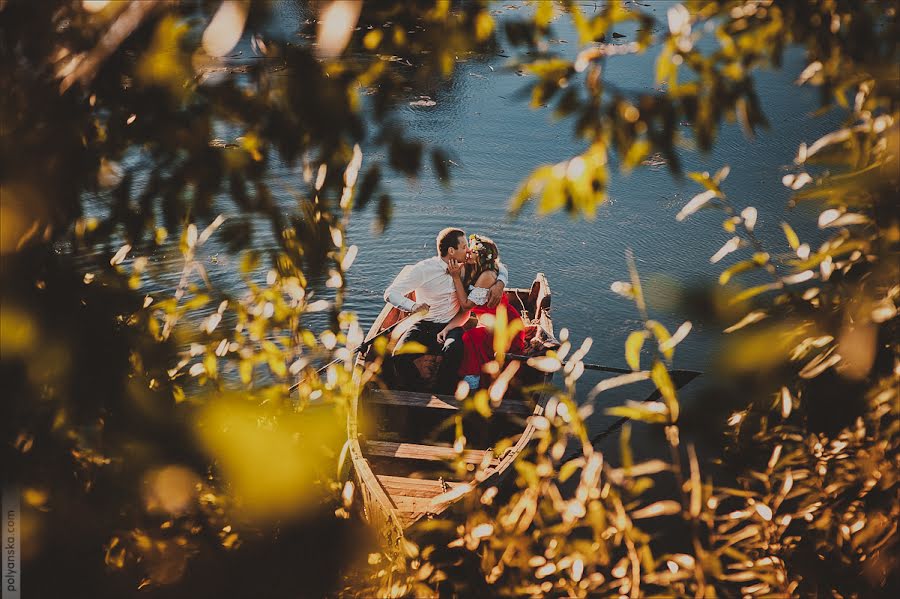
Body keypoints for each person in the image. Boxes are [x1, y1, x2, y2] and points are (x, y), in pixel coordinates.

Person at [384, 227, 508, 394]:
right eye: (464, 247)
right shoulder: (424, 269)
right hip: (423, 323)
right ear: (451, 251)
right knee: (399, 355)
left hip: (451, 324)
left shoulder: (466, 266)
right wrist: (413, 306)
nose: (469, 250)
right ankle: (414, 391)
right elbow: (390, 293)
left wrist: (500, 282)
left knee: (453, 351)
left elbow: (496, 266)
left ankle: (444, 392)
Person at [439, 234, 526, 390]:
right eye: (467, 249)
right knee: (469, 335)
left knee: (470, 337)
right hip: (486, 320)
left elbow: (466, 306)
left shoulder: (487, 276)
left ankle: (473, 379)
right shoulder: (472, 267)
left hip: (502, 323)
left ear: (480, 257)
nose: (467, 252)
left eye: (471, 251)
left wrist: (456, 278)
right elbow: (501, 267)